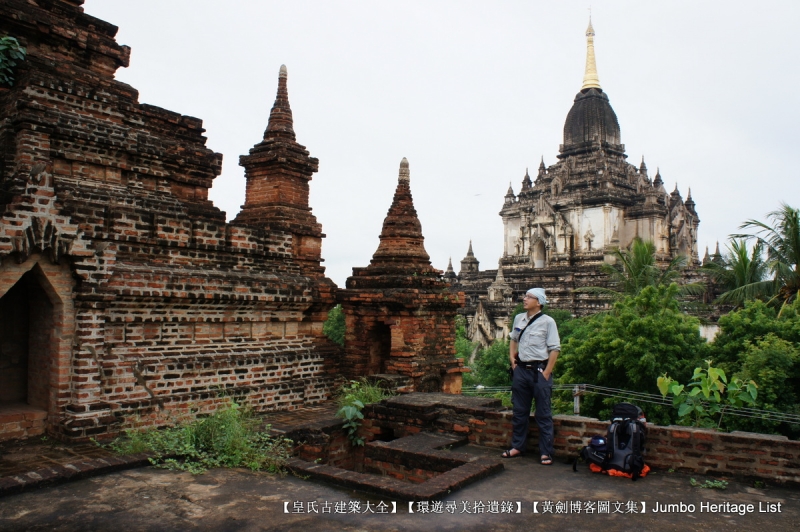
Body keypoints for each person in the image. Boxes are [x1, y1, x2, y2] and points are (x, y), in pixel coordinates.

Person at [501, 287, 561, 465]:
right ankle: (517, 446)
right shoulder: (519, 318)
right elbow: (513, 339)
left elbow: (555, 349)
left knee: (543, 413)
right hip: (521, 370)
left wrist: (547, 372)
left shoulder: (548, 322)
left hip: (539, 371)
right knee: (519, 411)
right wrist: (512, 360)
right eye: (525, 296)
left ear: (539, 302)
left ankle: (545, 452)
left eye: (529, 297)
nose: (524, 299)